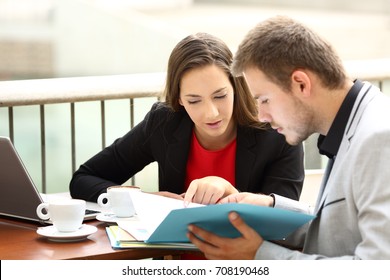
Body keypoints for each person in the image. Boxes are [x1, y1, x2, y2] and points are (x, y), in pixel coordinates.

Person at [187, 16, 390, 260]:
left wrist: (259, 256)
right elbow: (340, 226)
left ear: (301, 84)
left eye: (264, 99)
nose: (261, 115)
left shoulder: (378, 139)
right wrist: (270, 209)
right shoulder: (359, 122)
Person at [69, 32, 304, 206]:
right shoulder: (164, 123)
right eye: (194, 101)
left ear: (235, 86)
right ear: (179, 99)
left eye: (220, 96)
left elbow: (285, 218)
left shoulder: (278, 132)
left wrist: (230, 192)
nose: (211, 112)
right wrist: (140, 199)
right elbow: (83, 179)